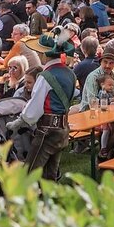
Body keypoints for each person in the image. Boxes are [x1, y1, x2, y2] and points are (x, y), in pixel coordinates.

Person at [11, 29, 78, 182]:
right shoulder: (70, 73)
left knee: (30, 172)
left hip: (47, 130)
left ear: (44, 54)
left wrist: (21, 120)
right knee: (50, 175)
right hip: (63, 128)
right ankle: (48, 196)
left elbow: (35, 106)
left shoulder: (45, 76)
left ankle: (22, 197)